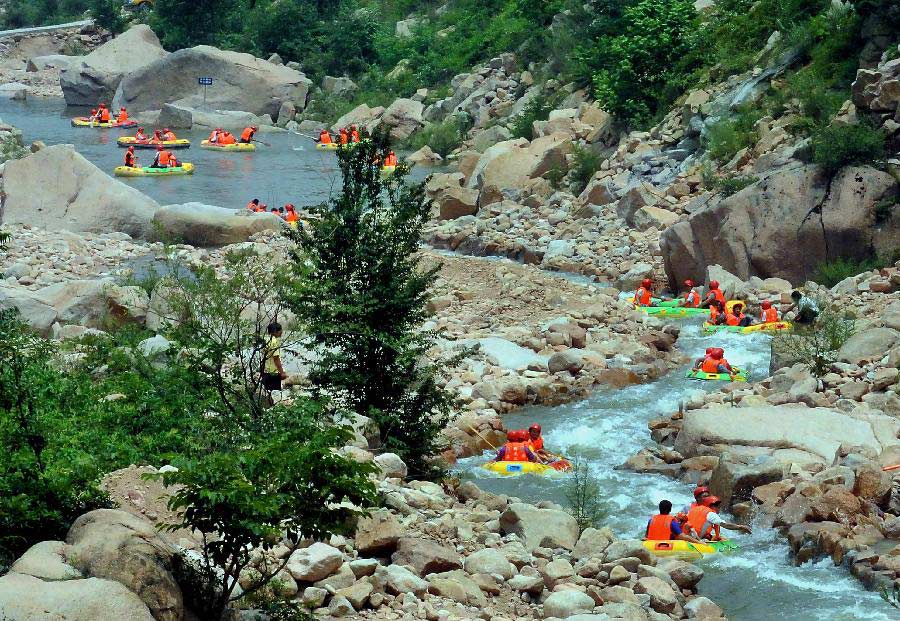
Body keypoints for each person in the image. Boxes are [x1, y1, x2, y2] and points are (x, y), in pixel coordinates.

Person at [687, 495, 752, 541]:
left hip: (685, 536)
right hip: (694, 539)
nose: (719, 509)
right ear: (713, 506)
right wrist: (741, 527)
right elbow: (726, 525)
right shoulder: (711, 514)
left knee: (709, 536)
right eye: (719, 507)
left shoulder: (693, 509)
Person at [261, 322, 287, 392]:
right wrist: (282, 372)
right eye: (280, 330)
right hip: (273, 373)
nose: (281, 332)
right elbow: (276, 359)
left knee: (267, 393)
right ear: (275, 331)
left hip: (265, 371)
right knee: (274, 393)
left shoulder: (265, 340)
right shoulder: (274, 342)